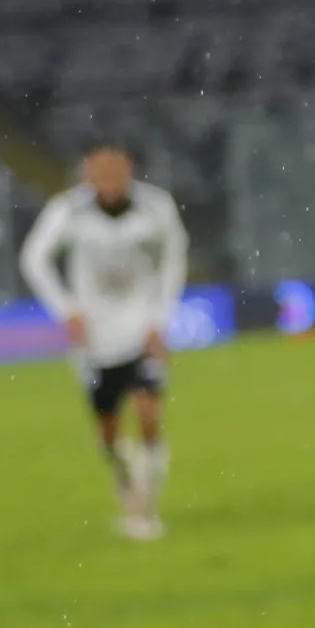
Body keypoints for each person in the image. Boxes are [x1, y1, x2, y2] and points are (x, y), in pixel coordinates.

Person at [20, 142, 190, 540]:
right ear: (87, 174)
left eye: (116, 172)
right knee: (109, 429)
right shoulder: (68, 209)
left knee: (148, 413)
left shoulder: (156, 206)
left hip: (141, 325)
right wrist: (67, 310)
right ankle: (123, 477)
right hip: (95, 335)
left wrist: (159, 318)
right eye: (101, 173)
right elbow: (34, 258)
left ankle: (145, 508)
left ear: (128, 170)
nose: (110, 181)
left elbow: (174, 258)